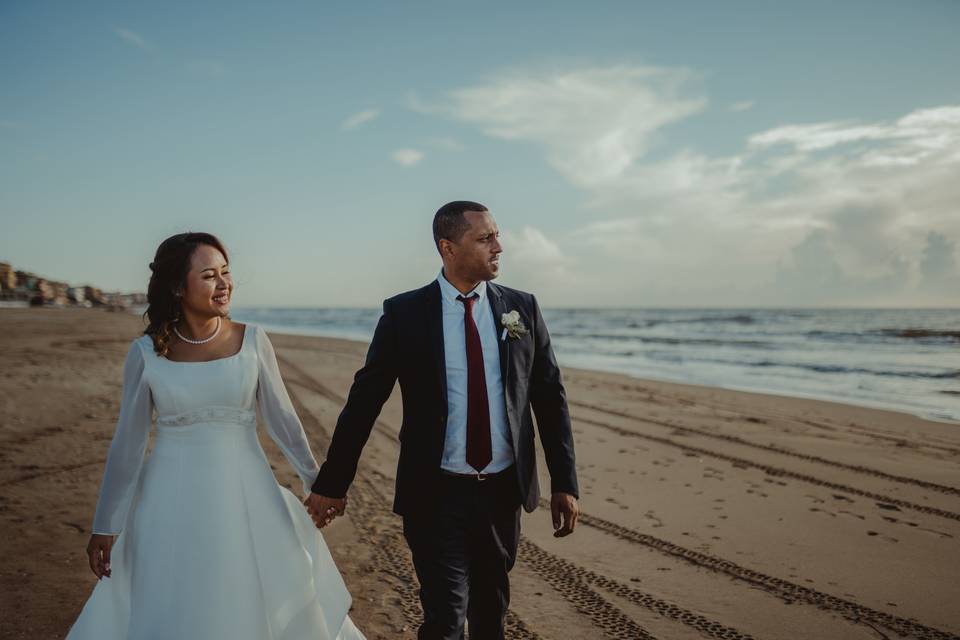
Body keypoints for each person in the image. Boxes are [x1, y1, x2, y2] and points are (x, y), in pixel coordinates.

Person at [67, 232, 365, 640]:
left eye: (226, 273)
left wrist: (317, 481)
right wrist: (106, 523)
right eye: (209, 275)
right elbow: (128, 444)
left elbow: (283, 422)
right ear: (177, 285)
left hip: (246, 495)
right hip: (169, 501)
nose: (224, 284)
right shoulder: (146, 353)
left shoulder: (253, 340)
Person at [306, 201, 580, 640]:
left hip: (501, 492)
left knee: (491, 616)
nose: (499, 247)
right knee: (445, 619)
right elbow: (365, 401)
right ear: (448, 248)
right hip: (434, 493)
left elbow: (549, 397)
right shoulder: (406, 314)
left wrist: (565, 482)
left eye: (497, 235)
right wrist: (332, 482)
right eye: (485, 238)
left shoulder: (521, 309)